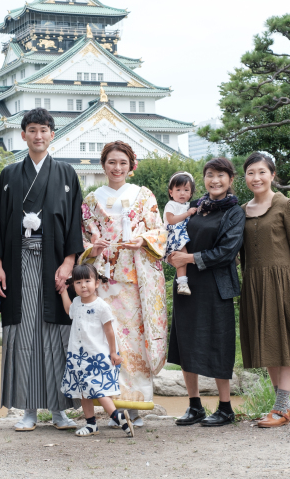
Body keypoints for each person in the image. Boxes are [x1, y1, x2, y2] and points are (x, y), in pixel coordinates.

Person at [0, 107, 84, 432]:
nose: (38, 135)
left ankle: (59, 410)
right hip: (18, 263)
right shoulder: (10, 175)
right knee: (25, 334)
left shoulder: (67, 174)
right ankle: (28, 409)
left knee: (58, 335)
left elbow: (74, 223)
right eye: (32, 130)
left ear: (52, 134)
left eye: (44, 130)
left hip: (55, 263)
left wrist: (70, 262)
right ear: (24, 134)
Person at [79, 140, 168, 427]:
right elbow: (83, 237)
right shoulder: (91, 200)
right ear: (103, 165)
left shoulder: (144, 196)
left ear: (131, 166)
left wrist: (143, 240)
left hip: (134, 281)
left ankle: (136, 406)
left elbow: (159, 231)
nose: (117, 168)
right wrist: (93, 247)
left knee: (132, 341)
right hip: (103, 282)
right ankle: (111, 406)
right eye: (111, 162)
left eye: (122, 163)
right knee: (105, 340)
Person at [238, 152, 290, 428]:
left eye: (261, 172)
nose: (256, 177)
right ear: (245, 177)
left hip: (283, 282)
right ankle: (283, 407)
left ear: (272, 175)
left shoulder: (286, 204)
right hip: (254, 284)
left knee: (286, 341)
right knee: (267, 343)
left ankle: (281, 407)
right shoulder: (242, 210)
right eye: (250, 172)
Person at [166, 157, 245, 427]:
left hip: (217, 285)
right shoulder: (195, 207)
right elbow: (175, 235)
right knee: (187, 343)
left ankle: (225, 408)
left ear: (231, 180)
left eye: (221, 175)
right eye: (210, 174)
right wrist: (171, 255)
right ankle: (194, 405)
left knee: (219, 343)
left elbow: (226, 252)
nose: (215, 180)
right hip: (188, 285)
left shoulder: (234, 212)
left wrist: (187, 259)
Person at [59, 264, 134, 438]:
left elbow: (109, 331)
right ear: (73, 286)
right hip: (77, 356)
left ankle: (118, 416)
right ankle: (91, 424)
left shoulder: (101, 306)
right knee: (83, 391)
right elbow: (69, 310)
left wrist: (113, 353)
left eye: (87, 281)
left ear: (97, 283)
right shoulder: (76, 303)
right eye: (78, 282)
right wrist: (63, 291)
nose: (83, 285)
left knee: (99, 391)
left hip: (96, 357)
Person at [163, 172, 198, 296]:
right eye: (178, 189)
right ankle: (182, 283)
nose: (182, 193)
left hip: (181, 233)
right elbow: (171, 220)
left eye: (186, 190)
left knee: (183, 256)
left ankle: (183, 282)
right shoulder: (171, 204)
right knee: (182, 256)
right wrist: (188, 214)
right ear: (171, 192)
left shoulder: (187, 205)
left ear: (191, 193)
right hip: (174, 234)